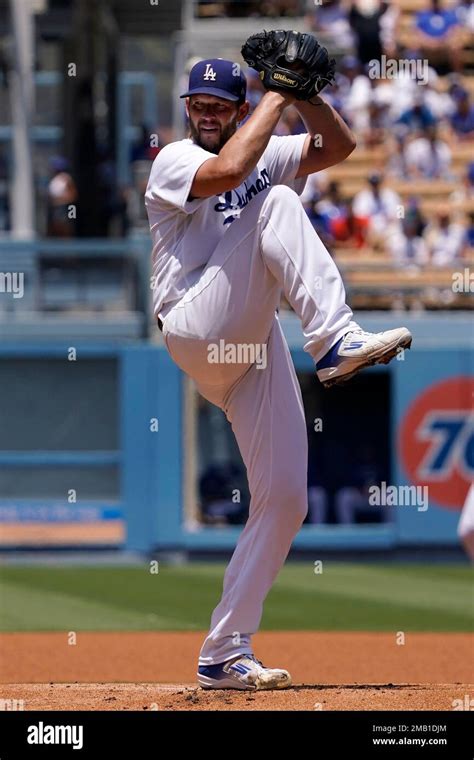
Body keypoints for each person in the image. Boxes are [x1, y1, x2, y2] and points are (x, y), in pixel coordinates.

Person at [145, 57, 412, 691]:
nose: (205, 113)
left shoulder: (262, 144)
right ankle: (334, 336)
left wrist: (308, 94)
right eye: (198, 103)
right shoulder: (173, 161)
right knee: (276, 203)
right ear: (188, 110)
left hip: (247, 346)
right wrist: (276, 93)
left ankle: (224, 650)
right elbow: (232, 170)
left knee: (286, 497)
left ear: (237, 111)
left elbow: (337, 146)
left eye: (218, 105)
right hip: (193, 325)